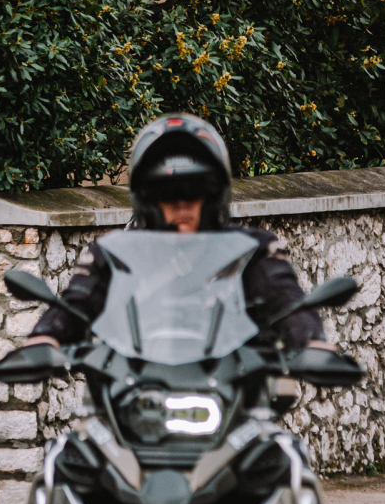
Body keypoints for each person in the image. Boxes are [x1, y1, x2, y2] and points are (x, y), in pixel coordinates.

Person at [25, 113, 332, 352]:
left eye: (194, 189)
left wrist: (312, 342)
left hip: (233, 390)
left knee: (275, 438)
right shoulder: (114, 254)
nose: (182, 202)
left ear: (213, 196)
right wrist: (46, 337)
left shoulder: (253, 249)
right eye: (169, 191)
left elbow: (286, 298)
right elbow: (78, 299)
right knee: (80, 436)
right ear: (148, 199)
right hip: (133, 390)